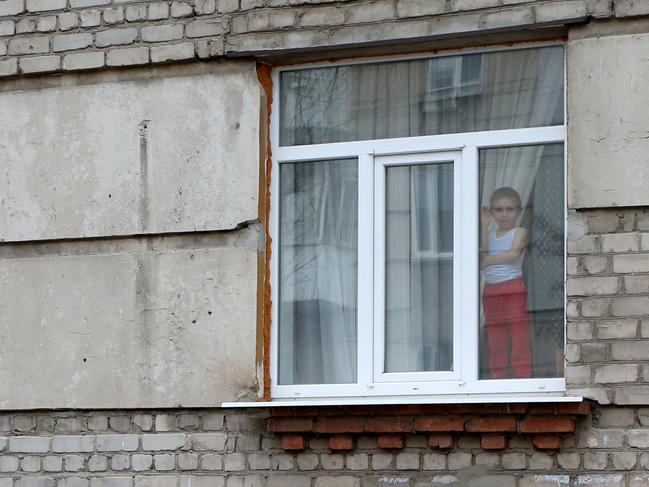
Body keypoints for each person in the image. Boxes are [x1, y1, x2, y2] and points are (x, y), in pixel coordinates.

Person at [480, 187, 532, 379]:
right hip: (491, 290)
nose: (504, 214)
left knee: (519, 334)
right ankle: (497, 378)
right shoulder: (491, 234)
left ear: (518, 211)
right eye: (498, 210)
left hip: (512, 287)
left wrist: (487, 261)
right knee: (496, 337)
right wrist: (484, 226)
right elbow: (483, 253)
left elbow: (513, 254)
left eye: (509, 209)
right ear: (492, 212)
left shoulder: (520, 231)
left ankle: (523, 377)